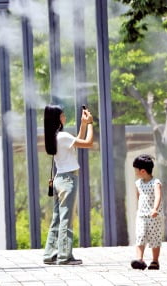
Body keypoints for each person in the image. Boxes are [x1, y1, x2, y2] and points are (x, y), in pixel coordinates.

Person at [42, 105, 94, 265]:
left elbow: (77, 141)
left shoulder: (54, 137)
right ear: (57, 118)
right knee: (66, 219)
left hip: (59, 180)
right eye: (62, 115)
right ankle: (64, 256)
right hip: (68, 180)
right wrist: (91, 124)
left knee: (57, 219)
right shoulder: (62, 136)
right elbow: (88, 143)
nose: (64, 117)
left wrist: (83, 124)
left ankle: (50, 255)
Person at [130, 154, 163, 271]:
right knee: (140, 236)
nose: (135, 172)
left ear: (143, 171)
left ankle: (155, 261)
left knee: (155, 238)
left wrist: (155, 209)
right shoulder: (138, 183)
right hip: (141, 215)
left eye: (136, 170)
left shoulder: (156, 183)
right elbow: (139, 197)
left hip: (154, 216)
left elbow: (158, 196)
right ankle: (140, 259)